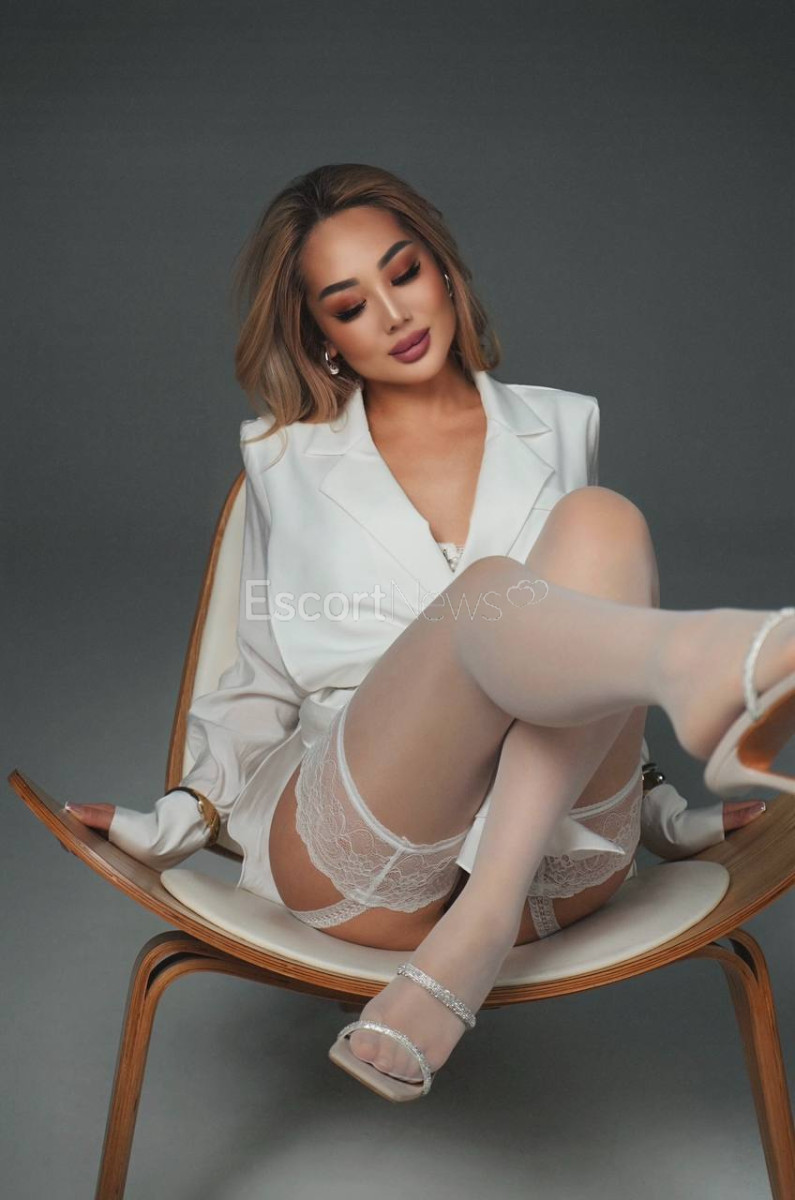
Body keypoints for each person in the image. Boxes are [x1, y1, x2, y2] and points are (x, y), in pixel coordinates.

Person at [69, 163, 787, 1101]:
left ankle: (481, 923)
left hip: (554, 864)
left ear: (443, 270)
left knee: (603, 524)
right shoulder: (285, 461)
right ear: (320, 336)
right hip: (370, 849)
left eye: (403, 273)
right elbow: (258, 680)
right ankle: (706, 655)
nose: (393, 314)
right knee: (492, 596)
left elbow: (581, 664)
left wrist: (664, 816)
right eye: (348, 305)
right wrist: (180, 817)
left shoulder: (561, 426)